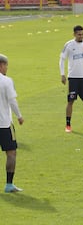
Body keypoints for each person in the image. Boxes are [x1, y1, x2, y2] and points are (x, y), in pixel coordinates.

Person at [59, 25, 83, 133]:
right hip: (73, 78)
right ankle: (68, 125)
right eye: (79, 34)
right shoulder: (69, 45)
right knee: (70, 101)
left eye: (82, 34)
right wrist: (62, 74)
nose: (81, 36)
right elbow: (62, 60)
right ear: (74, 34)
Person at [0, 54, 24, 192]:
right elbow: (12, 101)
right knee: (11, 153)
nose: (7, 67)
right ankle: (9, 184)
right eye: (6, 65)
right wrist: (19, 116)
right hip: (4, 124)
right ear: (1, 65)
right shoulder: (7, 81)